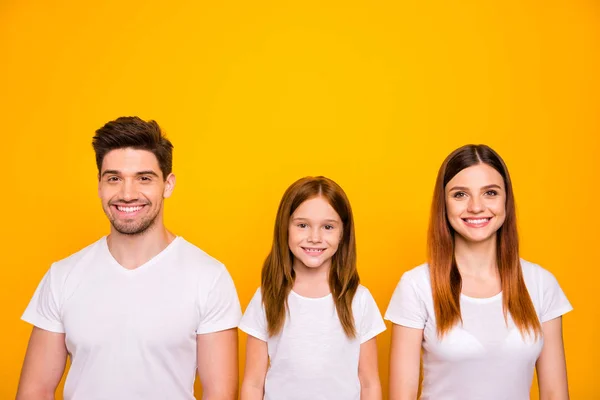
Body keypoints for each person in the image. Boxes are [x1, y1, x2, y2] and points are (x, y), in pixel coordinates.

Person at [16, 117, 241, 400]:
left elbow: (219, 394)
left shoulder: (209, 277)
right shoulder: (62, 276)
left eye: (144, 178)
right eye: (114, 178)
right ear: (99, 185)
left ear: (168, 185)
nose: (127, 194)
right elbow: (35, 391)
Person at [386, 144, 572, 400]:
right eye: (460, 194)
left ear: (506, 199)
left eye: (490, 193)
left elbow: (554, 393)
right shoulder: (416, 285)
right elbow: (402, 395)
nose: (476, 207)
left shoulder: (541, 284)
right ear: (444, 203)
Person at [239, 176, 386, 400]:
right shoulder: (268, 298)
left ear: (342, 233)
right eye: (302, 225)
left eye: (327, 227)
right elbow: (253, 383)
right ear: (285, 228)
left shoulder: (358, 299)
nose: (315, 237)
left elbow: (369, 383)